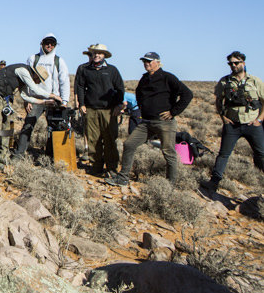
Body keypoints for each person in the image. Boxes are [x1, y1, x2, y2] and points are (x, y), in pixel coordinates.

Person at [107, 52, 192, 186]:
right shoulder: (145, 78)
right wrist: (142, 109)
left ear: (158, 62)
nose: (146, 63)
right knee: (129, 144)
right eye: (144, 61)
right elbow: (139, 94)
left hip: (164, 122)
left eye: (149, 61)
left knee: (168, 152)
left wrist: (173, 112)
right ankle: (123, 178)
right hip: (146, 122)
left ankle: (170, 185)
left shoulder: (168, 78)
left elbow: (187, 94)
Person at [200, 51, 264, 193]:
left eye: (236, 62)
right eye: (231, 63)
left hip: (252, 124)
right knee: (223, 154)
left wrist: (259, 119)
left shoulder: (255, 81)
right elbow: (218, 100)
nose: (233, 65)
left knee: (261, 153)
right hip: (232, 124)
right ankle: (214, 182)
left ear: (243, 63)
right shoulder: (225, 81)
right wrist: (223, 117)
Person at [0, 64, 61, 164]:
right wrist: (53, 96)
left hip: (2, 97)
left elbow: (25, 96)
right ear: (36, 76)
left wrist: (45, 102)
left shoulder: (23, 80)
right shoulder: (23, 71)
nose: (37, 83)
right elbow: (34, 89)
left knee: (6, 125)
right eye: (38, 81)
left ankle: (3, 155)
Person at [14, 34, 71, 159]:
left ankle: (51, 156)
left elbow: (64, 81)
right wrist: (26, 100)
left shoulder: (59, 61)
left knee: (54, 128)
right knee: (28, 125)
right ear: (42, 43)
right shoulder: (33, 59)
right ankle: (19, 154)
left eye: (52, 43)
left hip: (53, 100)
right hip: (35, 99)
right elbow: (26, 80)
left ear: (55, 45)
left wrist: (64, 101)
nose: (49, 45)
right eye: (47, 42)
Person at [74, 44, 124, 177]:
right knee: (93, 139)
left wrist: (118, 106)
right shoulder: (85, 70)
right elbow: (80, 86)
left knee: (109, 139)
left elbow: (120, 88)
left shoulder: (112, 70)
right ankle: (96, 167)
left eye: (100, 53)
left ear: (104, 55)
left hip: (109, 111)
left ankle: (112, 168)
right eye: (95, 53)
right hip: (90, 109)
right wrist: (82, 104)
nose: (97, 55)